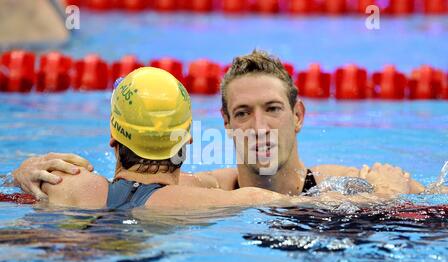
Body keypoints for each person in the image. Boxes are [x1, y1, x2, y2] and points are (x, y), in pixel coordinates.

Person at [12, 50, 429, 200]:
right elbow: (122, 192)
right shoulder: (204, 189)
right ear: (226, 124)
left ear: (298, 116)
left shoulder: (348, 182)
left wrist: (393, 197)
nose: (259, 126)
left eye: (273, 109)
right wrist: (29, 173)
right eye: (243, 113)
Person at [37, 67, 298, 211]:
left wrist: (22, 173)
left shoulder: (66, 184)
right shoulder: (206, 202)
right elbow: (310, 205)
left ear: (113, 140)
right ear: (186, 141)